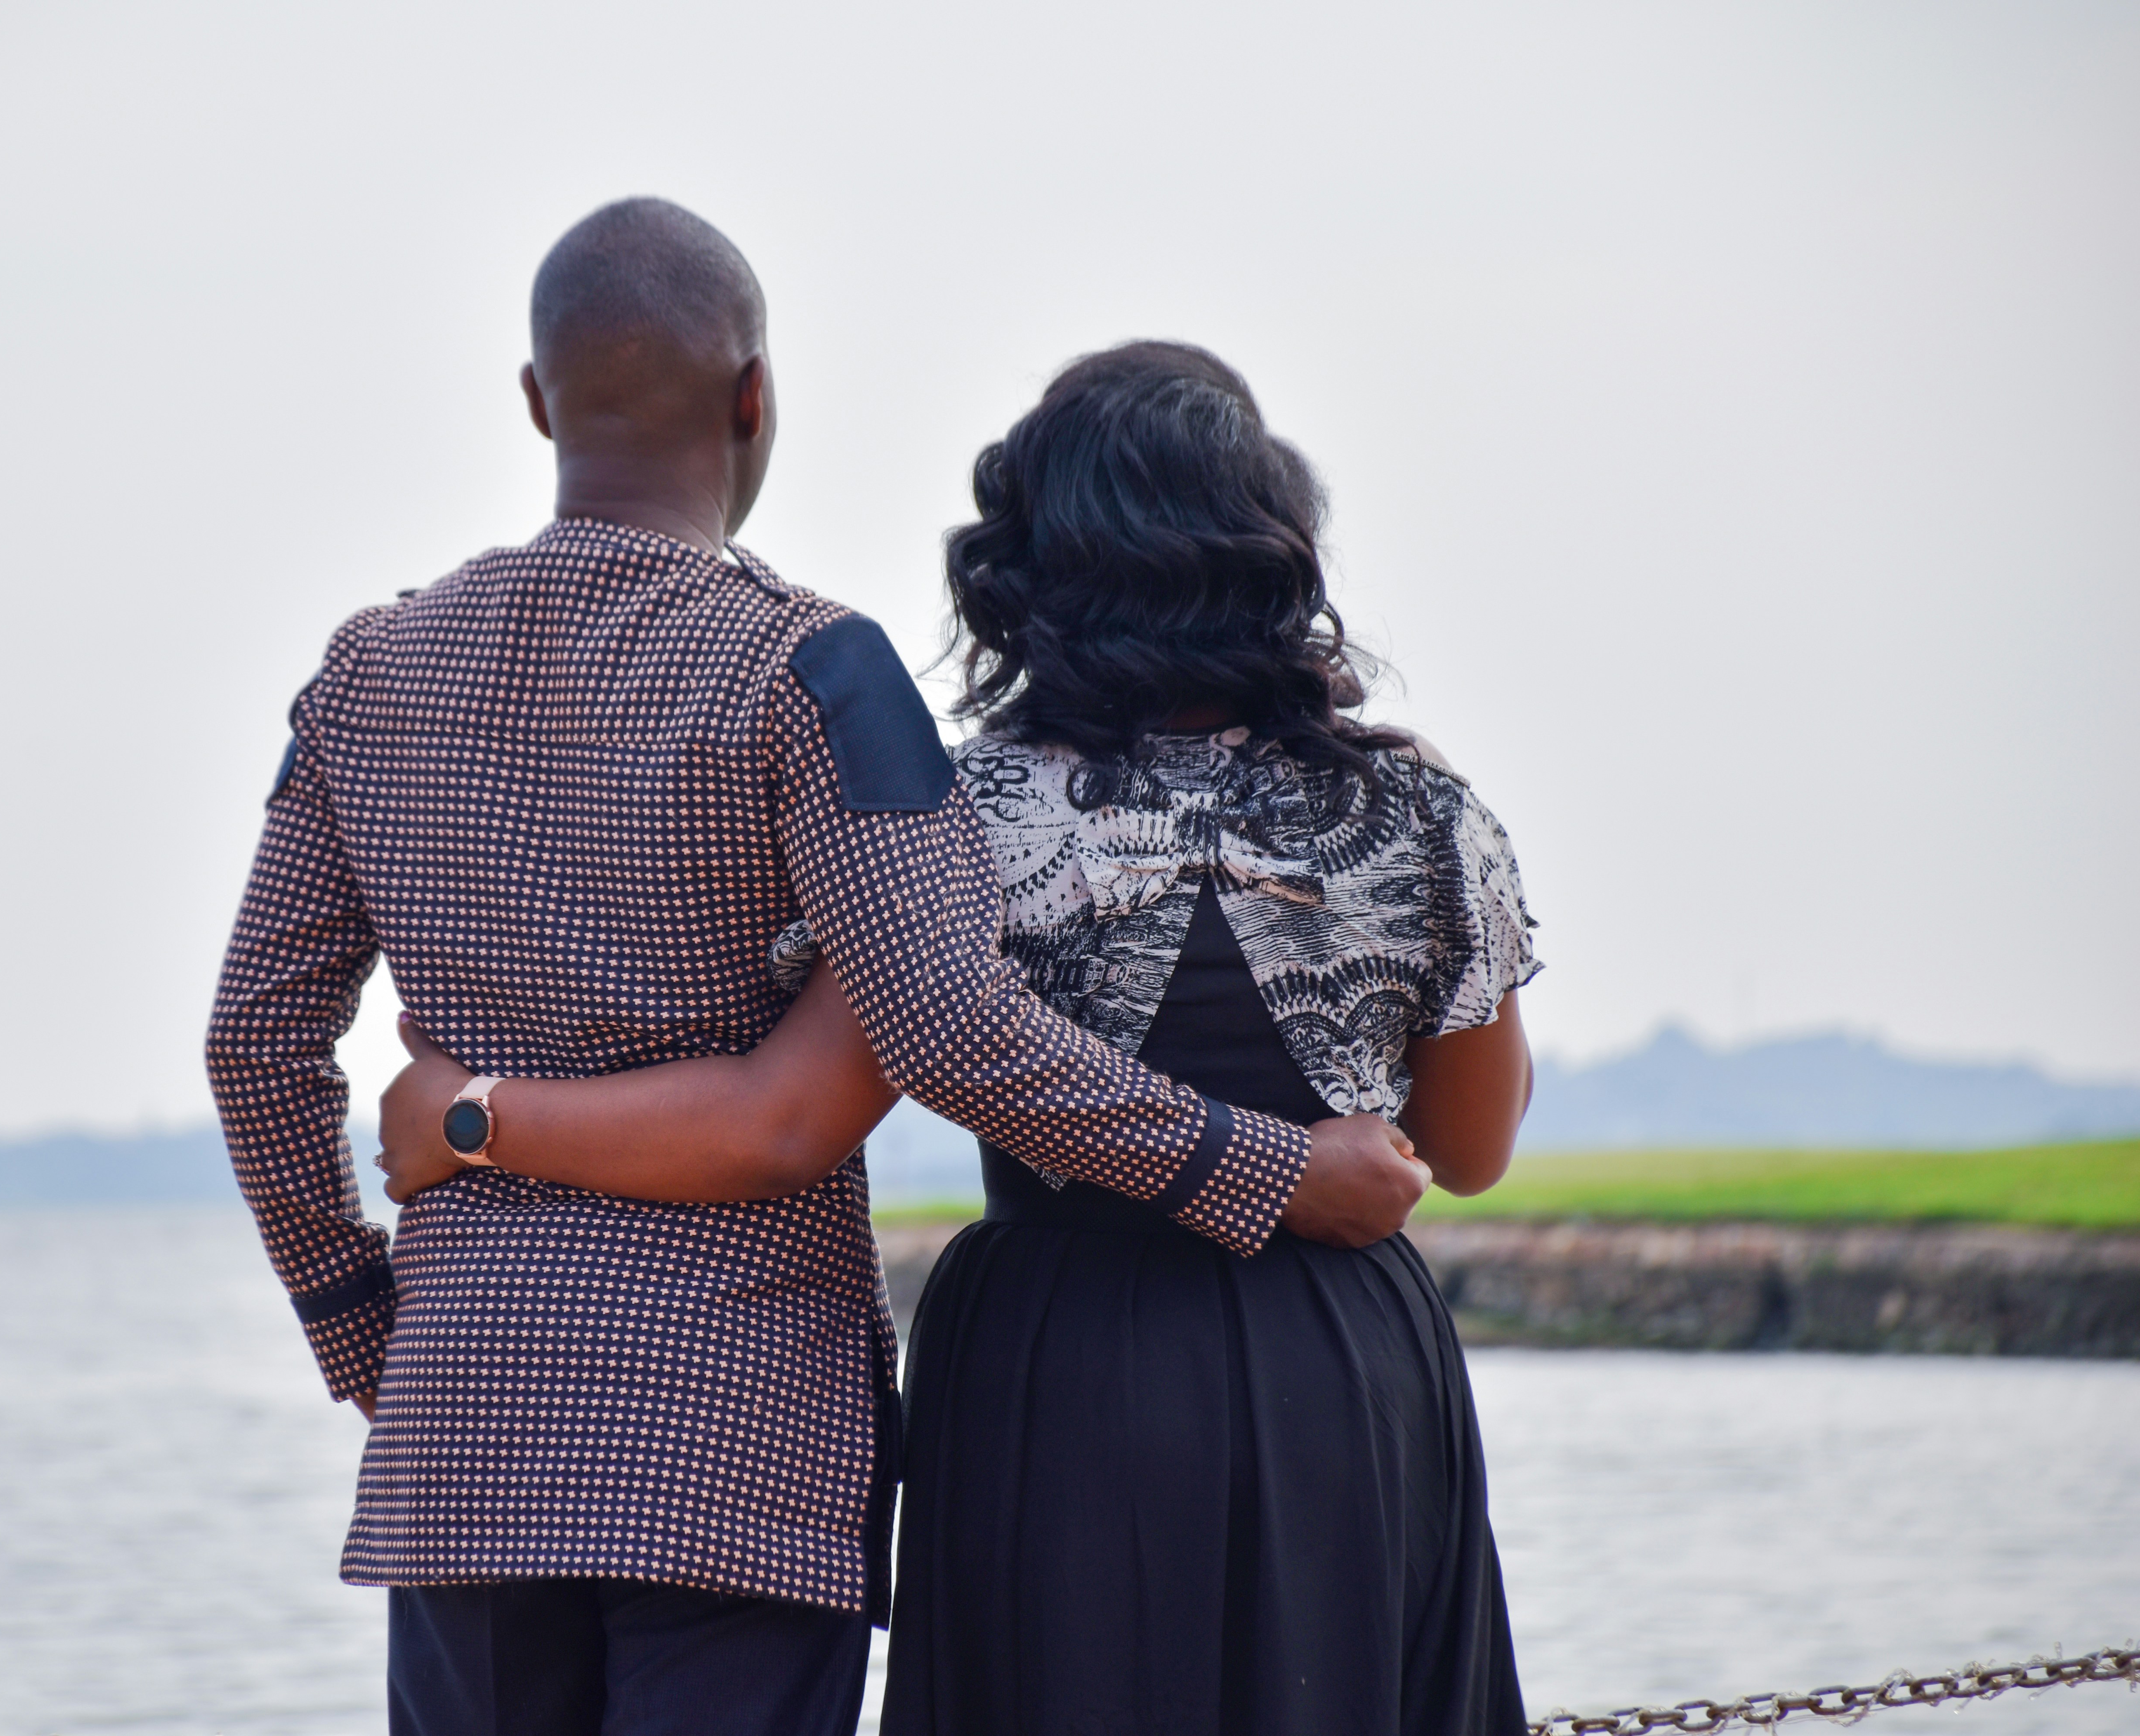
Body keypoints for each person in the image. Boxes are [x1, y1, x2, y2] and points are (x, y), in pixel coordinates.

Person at [206, 205, 1427, 1736]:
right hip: (739, 1451)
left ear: (536, 400)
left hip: (457, 1447)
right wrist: (1268, 1169)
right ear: (755, 395)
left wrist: (360, 1332)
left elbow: (255, 1045)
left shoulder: (367, 674)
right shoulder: (815, 672)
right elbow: (951, 1031)